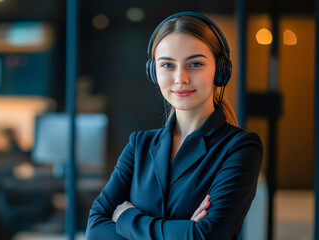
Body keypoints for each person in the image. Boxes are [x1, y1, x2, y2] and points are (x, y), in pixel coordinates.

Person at [86, 12, 263, 240]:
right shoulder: (139, 145)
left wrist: (126, 218)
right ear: (154, 72)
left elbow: (207, 236)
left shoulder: (239, 147)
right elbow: (95, 231)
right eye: (168, 65)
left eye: (195, 64)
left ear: (220, 71)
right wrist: (183, 230)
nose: (180, 77)